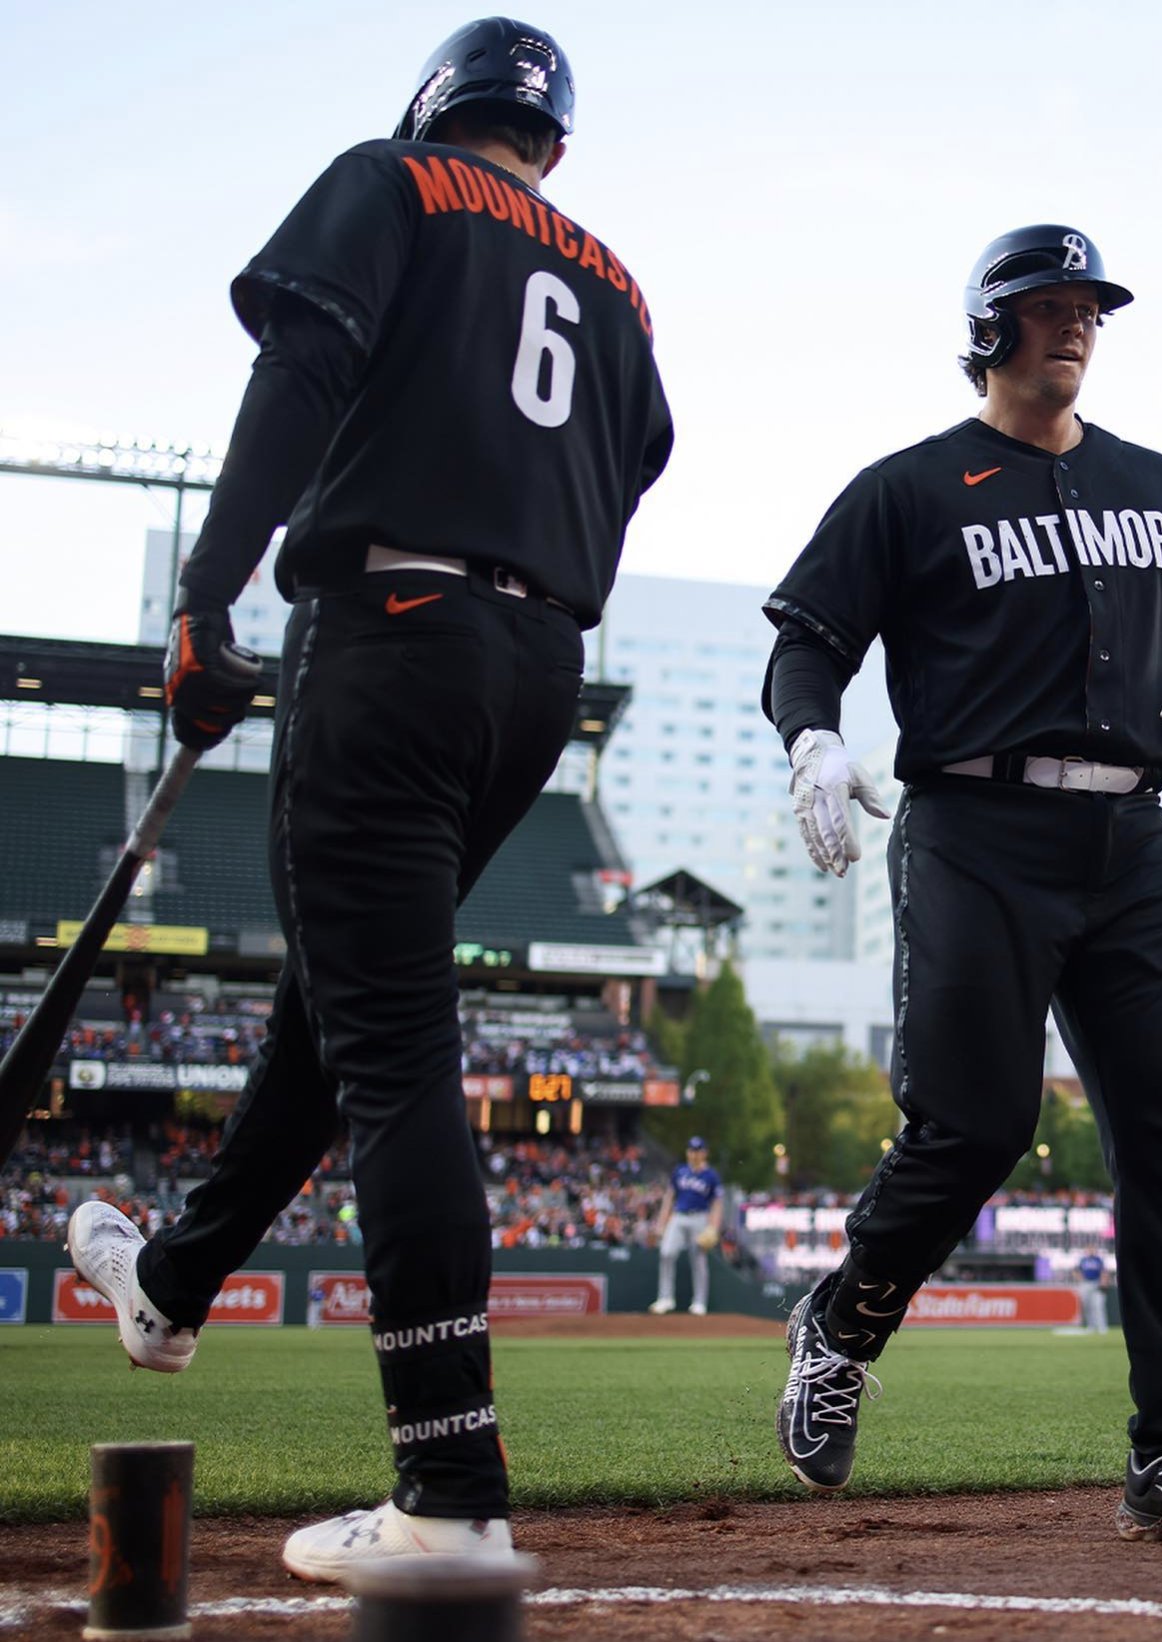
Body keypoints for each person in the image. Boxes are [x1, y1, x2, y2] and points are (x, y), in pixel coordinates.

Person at [66, 17, 671, 1583]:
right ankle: (173, 1286)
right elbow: (638, 452)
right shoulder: (616, 284)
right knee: (333, 1024)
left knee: (391, 1044)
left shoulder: (394, 182)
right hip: (534, 673)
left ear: (435, 108)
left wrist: (206, 603)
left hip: (393, 641)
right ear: (552, 138)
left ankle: (449, 1487)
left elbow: (300, 373)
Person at [761, 224, 1162, 1549]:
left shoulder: (1155, 482)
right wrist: (816, 740)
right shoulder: (907, 487)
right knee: (971, 1123)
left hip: (1130, 842)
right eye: (1048, 305)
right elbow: (806, 639)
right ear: (990, 324)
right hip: (973, 829)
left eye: (1088, 307)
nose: (1073, 324)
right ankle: (840, 1323)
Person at [648, 1136, 723, 1316]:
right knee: (666, 1253)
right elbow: (669, 1198)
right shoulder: (680, 1171)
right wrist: (661, 1223)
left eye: (698, 1151)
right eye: (691, 1150)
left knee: (698, 1260)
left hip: (700, 1217)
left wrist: (713, 1227)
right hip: (678, 1216)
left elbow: (717, 1203)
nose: (694, 1154)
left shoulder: (711, 1175)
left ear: (704, 1153)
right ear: (688, 1152)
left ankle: (699, 1302)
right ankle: (665, 1298)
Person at [1076, 1248, 1109, 1334]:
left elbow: (1104, 1271)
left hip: (1096, 1283)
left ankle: (1102, 1326)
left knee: (1098, 1305)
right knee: (1087, 1306)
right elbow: (1077, 1271)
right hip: (1086, 1283)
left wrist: (1103, 1282)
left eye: (1092, 1250)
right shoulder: (1083, 1260)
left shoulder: (1098, 1260)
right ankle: (1091, 1325)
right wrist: (1081, 1279)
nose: (1090, 1251)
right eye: (1089, 1250)